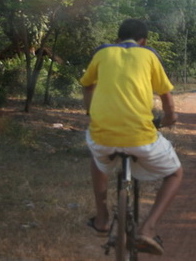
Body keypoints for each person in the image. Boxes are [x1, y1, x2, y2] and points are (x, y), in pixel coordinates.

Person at [80, 18, 183, 256]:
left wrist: (89, 112)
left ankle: (102, 219)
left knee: (97, 159)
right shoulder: (149, 56)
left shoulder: (103, 53)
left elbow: (87, 86)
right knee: (176, 173)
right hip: (141, 139)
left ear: (117, 39)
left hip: (102, 135)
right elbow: (166, 96)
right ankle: (148, 229)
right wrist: (169, 118)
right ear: (143, 41)